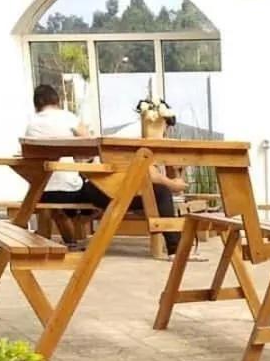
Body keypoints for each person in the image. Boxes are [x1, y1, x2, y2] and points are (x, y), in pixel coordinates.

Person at [25, 84, 187, 255]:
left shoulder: (31, 125)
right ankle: (175, 250)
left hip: (46, 189)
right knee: (160, 192)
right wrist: (173, 184)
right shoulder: (68, 118)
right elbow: (90, 144)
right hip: (97, 188)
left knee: (154, 192)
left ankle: (174, 247)